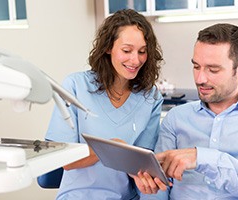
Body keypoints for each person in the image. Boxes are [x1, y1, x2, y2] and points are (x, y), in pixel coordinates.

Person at [132, 23, 238, 199]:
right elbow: (158, 189)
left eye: (213, 69)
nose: (200, 79)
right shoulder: (176, 118)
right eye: (196, 66)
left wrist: (203, 159)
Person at [45, 9, 164, 200]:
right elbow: (64, 160)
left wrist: (146, 178)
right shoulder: (75, 86)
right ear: (108, 47)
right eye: (126, 50)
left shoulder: (150, 96)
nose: (135, 60)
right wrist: (113, 148)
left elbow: (143, 162)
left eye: (142, 52)